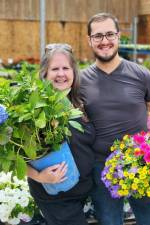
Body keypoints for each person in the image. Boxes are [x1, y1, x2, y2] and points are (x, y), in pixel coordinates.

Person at [80, 13, 150, 225]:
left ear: (119, 36)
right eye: (98, 36)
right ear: (89, 40)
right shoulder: (80, 81)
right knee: (109, 222)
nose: (104, 41)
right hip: (101, 166)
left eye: (110, 34)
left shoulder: (141, 74)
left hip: (142, 164)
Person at [27, 43, 95, 225]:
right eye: (54, 69)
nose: (61, 74)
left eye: (66, 68)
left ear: (74, 71)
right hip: (56, 197)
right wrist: (38, 176)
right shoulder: (35, 109)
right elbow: (13, 155)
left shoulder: (79, 102)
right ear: (45, 74)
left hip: (80, 192)